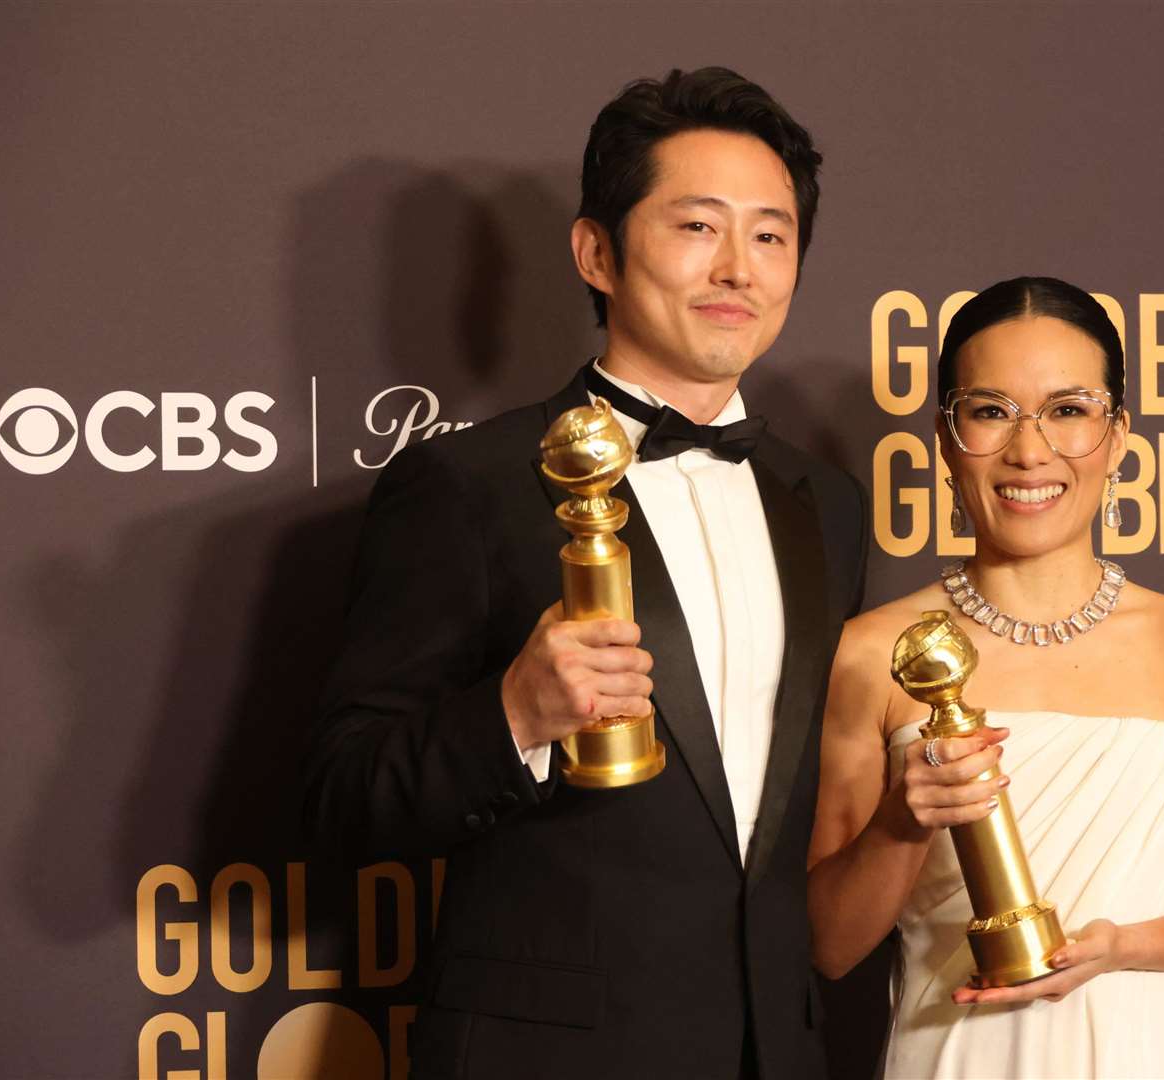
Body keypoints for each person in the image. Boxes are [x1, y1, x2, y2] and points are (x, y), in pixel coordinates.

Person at [305, 68, 867, 1080]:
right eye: (697, 226)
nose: (738, 267)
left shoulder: (826, 503)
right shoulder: (466, 483)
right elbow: (344, 797)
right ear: (595, 252)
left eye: (770, 235)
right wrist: (511, 717)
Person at [806, 276, 1164, 1079]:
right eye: (990, 411)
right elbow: (829, 945)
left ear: (1117, 436)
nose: (1029, 451)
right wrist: (903, 820)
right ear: (945, 436)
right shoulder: (875, 654)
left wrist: (1118, 948)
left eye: (1068, 411)